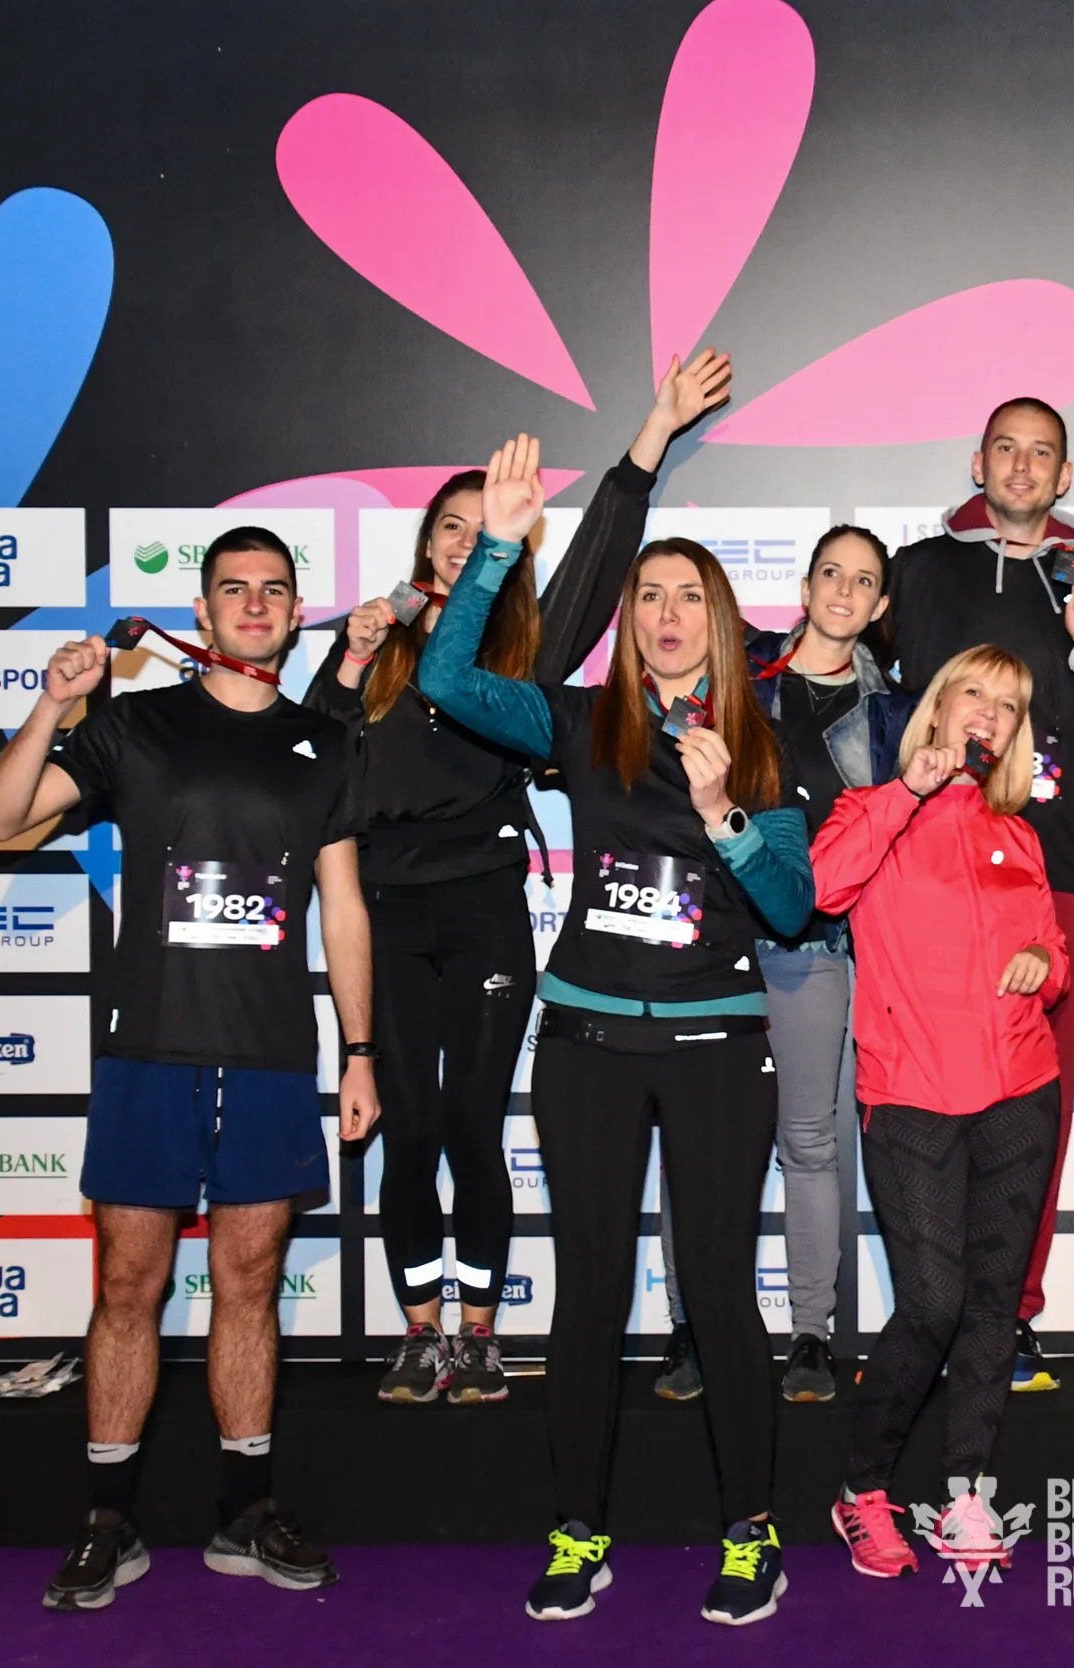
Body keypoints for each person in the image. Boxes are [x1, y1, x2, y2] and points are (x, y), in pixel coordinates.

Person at [420, 436, 816, 1627]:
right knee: (588, 1294)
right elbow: (446, 678)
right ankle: (578, 1531)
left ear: (720, 622)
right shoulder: (584, 720)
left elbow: (791, 909)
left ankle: (750, 1533)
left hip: (714, 1053)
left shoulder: (763, 745)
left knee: (718, 1293)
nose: (664, 614)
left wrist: (723, 811)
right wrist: (497, 549)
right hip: (587, 1046)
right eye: (647, 596)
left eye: (687, 597)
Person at [308, 350, 733, 1407]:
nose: (465, 541)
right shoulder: (383, 644)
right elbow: (305, 761)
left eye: (482, 526)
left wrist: (654, 433)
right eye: (449, 527)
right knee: (411, 1129)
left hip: (487, 902)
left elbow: (599, 556)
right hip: (387, 907)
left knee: (472, 1129)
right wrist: (350, 658)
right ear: (426, 545)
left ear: (510, 537)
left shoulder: (523, 658)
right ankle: (421, 1335)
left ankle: (482, 1334)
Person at [0, 528, 377, 1611]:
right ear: (201, 612)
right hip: (147, 1049)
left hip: (267, 1055)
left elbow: (343, 908)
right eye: (232, 589)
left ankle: (245, 1513)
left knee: (249, 1285)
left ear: (295, 613)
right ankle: (108, 1521)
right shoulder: (134, 725)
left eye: (274, 590)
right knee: (127, 1287)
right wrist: (55, 704)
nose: (254, 604)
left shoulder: (324, 742)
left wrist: (360, 1051)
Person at [884, 396, 1074, 1390]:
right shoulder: (917, 571)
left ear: (1064, 476)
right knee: (926, 1105)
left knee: (1035, 1113)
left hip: (1060, 877)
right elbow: (861, 691)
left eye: (1042, 454)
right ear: (977, 462)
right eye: (1006, 449)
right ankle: (932, 1313)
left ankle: (1007, 1314)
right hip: (927, 879)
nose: (1023, 467)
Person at [808, 646, 1071, 1579]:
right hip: (912, 1093)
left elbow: (1051, 948)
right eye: (976, 693)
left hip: (1020, 1089)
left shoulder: (1019, 832)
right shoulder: (870, 806)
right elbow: (821, 888)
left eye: (1009, 705)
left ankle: (965, 1492)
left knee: (992, 1304)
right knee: (931, 1302)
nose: (990, 713)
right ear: (938, 706)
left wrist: (1046, 963)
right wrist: (905, 791)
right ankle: (862, 1489)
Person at [654, 524, 915, 1404]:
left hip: (814, 949)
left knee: (809, 1142)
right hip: (712, 941)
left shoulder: (893, 713)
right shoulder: (738, 673)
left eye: (863, 581)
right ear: (804, 588)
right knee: (698, 1145)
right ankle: (690, 1327)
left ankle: (811, 1335)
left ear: (880, 606)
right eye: (830, 573)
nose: (843, 590)